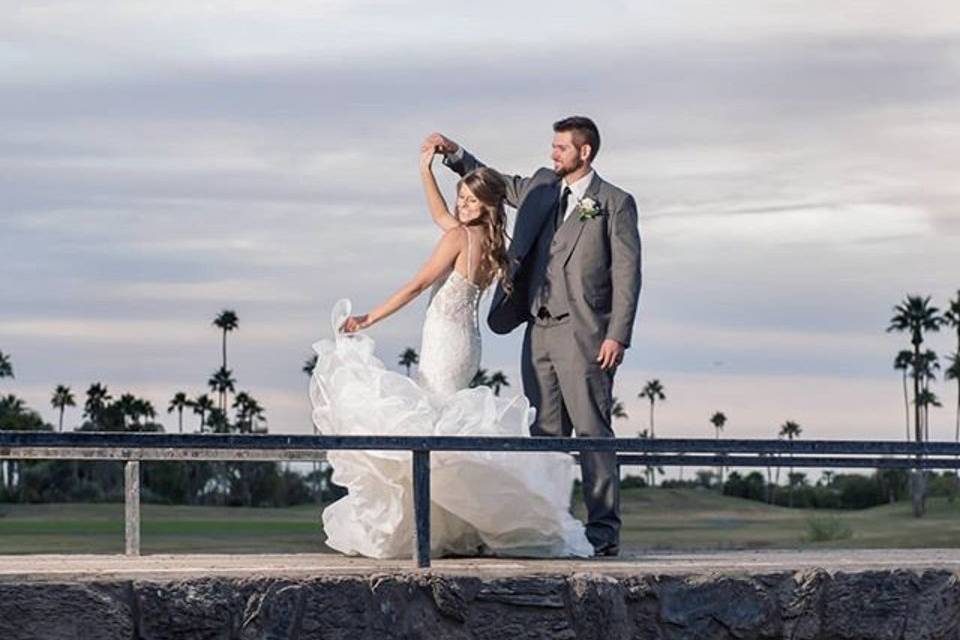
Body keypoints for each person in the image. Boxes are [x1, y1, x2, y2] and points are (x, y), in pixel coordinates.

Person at [308, 143, 592, 559]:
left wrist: (369, 319)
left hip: (444, 341)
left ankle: (433, 524)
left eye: (470, 200)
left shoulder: (459, 237)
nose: (461, 205)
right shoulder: (491, 242)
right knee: (442, 423)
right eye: (460, 197)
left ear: (487, 205)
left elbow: (417, 285)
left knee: (432, 425)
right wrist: (426, 172)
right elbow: (442, 216)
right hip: (467, 343)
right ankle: (452, 521)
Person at [426, 116, 642, 557]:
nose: (552, 154)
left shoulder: (614, 203)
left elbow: (627, 273)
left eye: (560, 148)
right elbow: (497, 185)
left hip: (586, 334)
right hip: (537, 329)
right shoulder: (543, 187)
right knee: (545, 434)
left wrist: (617, 335)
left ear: (585, 152)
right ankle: (551, 527)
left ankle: (604, 532)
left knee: (592, 432)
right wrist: (453, 154)